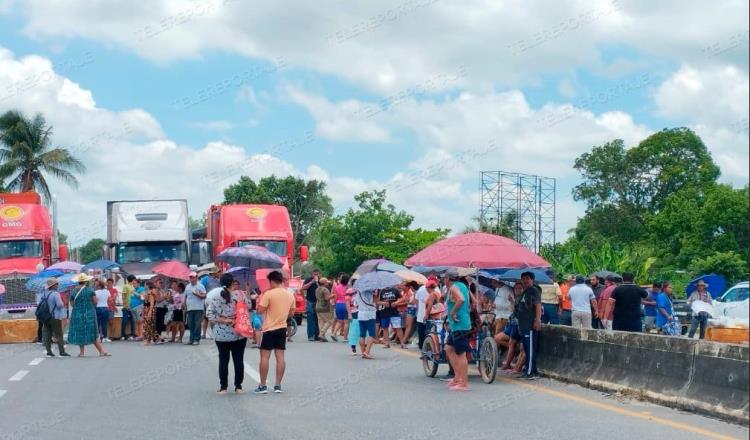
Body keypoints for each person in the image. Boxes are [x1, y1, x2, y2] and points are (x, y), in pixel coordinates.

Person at [254, 270, 295, 394]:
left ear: (271, 281)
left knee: (265, 357)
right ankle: (278, 385)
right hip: (282, 328)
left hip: (269, 329)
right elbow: (292, 313)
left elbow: (259, 311)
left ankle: (262, 385)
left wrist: (260, 300)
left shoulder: (268, 294)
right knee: (280, 357)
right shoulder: (289, 295)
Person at [206, 273, 247, 394]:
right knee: (238, 360)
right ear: (232, 283)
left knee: (223, 360)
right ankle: (238, 387)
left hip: (221, 334)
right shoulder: (240, 295)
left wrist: (224, 320)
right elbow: (248, 307)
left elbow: (209, 315)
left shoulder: (215, 296)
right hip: (238, 332)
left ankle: (223, 387)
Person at [67, 274, 110, 357]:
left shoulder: (73, 291)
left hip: (77, 314)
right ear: (86, 281)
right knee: (92, 332)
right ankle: (101, 351)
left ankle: (82, 352)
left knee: (80, 332)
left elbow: (72, 303)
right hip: (89, 313)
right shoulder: (90, 290)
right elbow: (95, 302)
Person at [443, 273, 472, 391]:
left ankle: (463, 383)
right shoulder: (462, 285)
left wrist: (453, 313)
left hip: (460, 324)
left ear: (448, 279)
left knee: (461, 354)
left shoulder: (454, 287)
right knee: (448, 348)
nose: (443, 280)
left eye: (444, 278)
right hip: (456, 325)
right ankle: (457, 377)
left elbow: (461, 299)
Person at [516, 271, 542, 379]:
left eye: (527, 278)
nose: (525, 280)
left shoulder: (533, 290)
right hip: (524, 325)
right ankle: (531, 370)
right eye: (523, 279)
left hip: (530, 324)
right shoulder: (525, 292)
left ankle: (530, 372)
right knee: (527, 349)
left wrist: (537, 320)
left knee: (530, 349)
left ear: (532, 280)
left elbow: (538, 305)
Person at [41, 278, 70, 357]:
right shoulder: (55, 294)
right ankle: (62, 351)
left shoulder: (44, 294)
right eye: (56, 284)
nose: (57, 285)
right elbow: (60, 305)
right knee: (59, 334)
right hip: (55, 316)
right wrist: (63, 303)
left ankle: (49, 351)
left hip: (45, 317)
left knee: (47, 333)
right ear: (53, 286)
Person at [184, 271, 207, 345]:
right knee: (190, 324)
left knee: (197, 324)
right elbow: (186, 296)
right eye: (190, 277)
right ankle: (191, 339)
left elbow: (204, 296)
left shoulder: (200, 286)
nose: (191, 279)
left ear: (196, 277)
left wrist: (197, 295)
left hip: (198, 308)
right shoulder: (187, 286)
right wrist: (184, 304)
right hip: (190, 308)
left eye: (193, 277)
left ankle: (197, 339)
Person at [355, 288, 378, 359]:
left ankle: (363, 352)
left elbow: (356, 304)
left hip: (361, 314)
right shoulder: (369, 292)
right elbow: (374, 301)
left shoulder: (358, 293)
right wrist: (377, 293)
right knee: (372, 334)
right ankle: (367, 352)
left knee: (362, 334)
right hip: (369, 314)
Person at [302, 269, 321, 342]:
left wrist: (317, 282)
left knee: (317, 319)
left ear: (320, 274)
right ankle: (311, 335)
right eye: (314, 274)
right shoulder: (308, 280)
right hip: (310, 301)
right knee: (310, 318)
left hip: (318, 302)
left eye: (317, 274)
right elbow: (303, 288)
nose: (316, 276)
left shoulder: (320, 281)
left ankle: (317, 335)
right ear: (312, 274)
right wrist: (312, 282)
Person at [331, 274, 351, 340]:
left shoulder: (337, 287)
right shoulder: (348, 288)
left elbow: (335, 297)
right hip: (346, 304)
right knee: (346, 322)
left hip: (338, 304)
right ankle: (345, 337)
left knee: (339, 321)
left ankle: (334, 333)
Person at [120, 275, 136, 340]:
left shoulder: (133, 286)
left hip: (132, 305)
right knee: (125, 320)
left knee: (133, 320)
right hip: (126, 306)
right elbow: (123, 296)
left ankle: (132, 334)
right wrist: (125, 305)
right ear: (132, 280)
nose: (135, 281)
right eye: (134, 280)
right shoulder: (126, 286)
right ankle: (122, 335)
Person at [346, 287, 360, 355]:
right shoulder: (350, 290)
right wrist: (349, 314)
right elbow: (347, 303)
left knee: (364, 331)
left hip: (363, 312)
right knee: (354, 330)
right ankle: (353, 348)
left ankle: (365, 348)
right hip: (354, 312)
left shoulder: (364, 290)